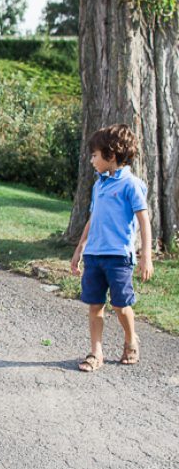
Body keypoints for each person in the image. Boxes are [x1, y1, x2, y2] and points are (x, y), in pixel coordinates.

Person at [70, 124, 153, 372]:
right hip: (94, 255)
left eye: (95, 155)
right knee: (95, 305)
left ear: (111, 155)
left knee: (120, 305)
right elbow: (93, 217)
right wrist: (80, 247)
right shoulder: (99, 184)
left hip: (119, 257)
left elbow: (144, 220)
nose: (92, 159)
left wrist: (146, 255)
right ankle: (96, 352)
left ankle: (130, 339)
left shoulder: (131, 184)